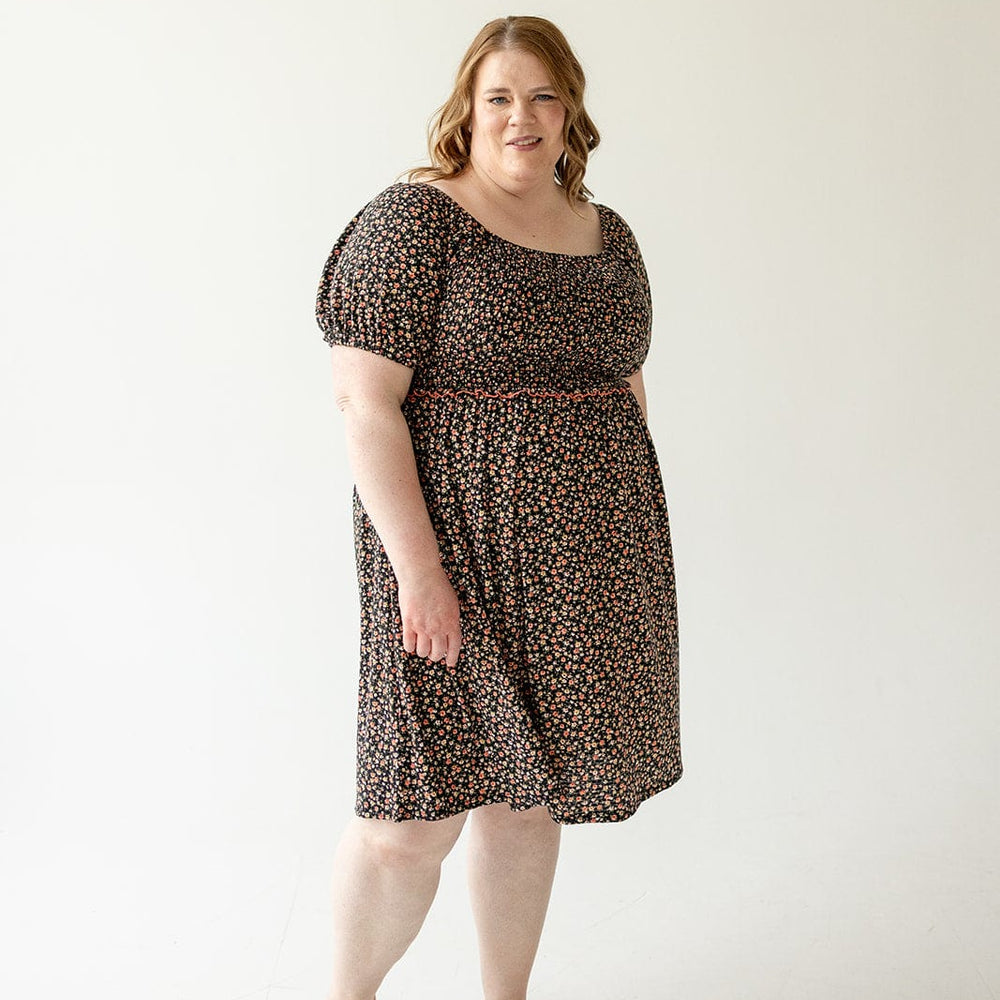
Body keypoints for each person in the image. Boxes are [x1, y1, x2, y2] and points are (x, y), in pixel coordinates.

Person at [314, 15, 682, 1000]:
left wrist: (622, 553)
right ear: (465, 114)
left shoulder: (609, 236)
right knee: (408, 821)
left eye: (544, 95)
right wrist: (418, 573)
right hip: (447, 555)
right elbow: (363, 404)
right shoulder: (415, 219)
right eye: (500, 97)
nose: (523, 115)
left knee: (528, 802)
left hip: (580, 566)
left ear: (573, 113)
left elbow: (622, 388)